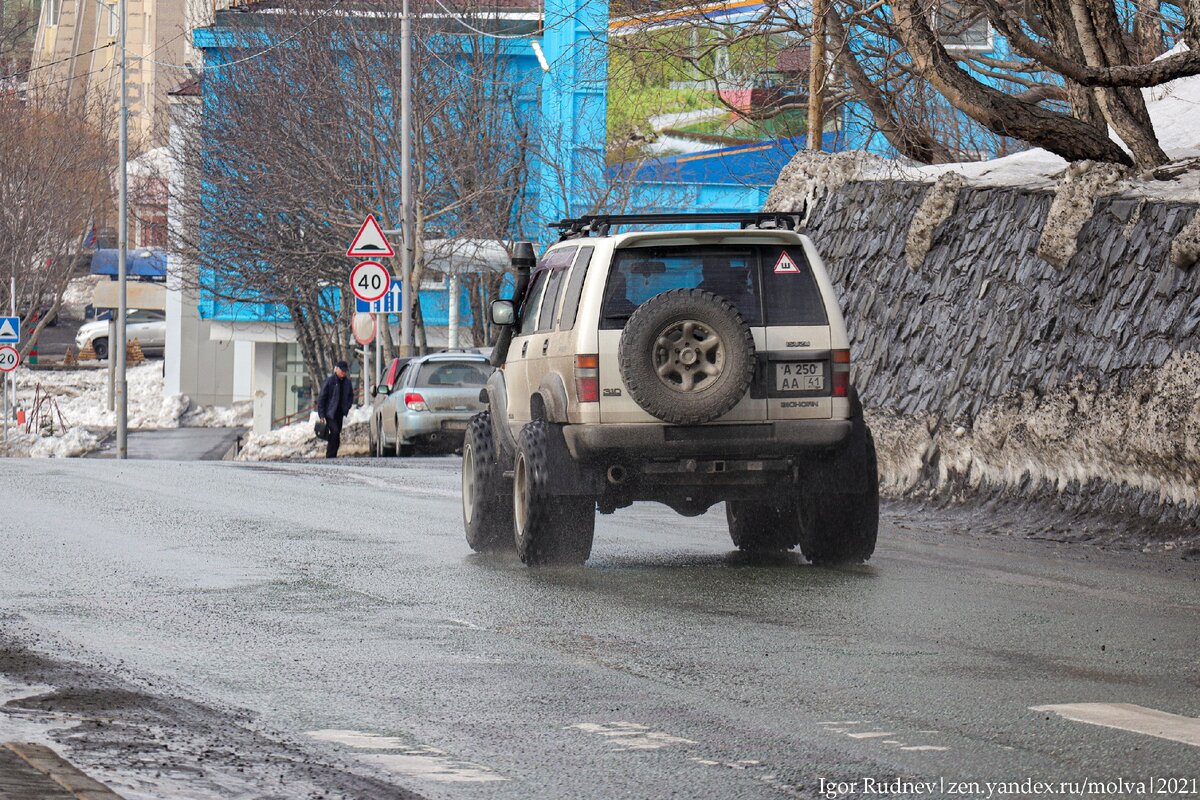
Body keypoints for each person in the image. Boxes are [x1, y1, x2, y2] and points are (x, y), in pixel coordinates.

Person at [317, 360, 355, 459]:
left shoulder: (347, 382)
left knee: (336, 435)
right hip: (330, 413)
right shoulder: (330, 381)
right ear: (336, 369)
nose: (344, 373)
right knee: (335, 432)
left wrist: (347, 406)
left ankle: (332, 455)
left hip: (340, 413)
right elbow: (322, 398)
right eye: (342, 370)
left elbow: (351, 396)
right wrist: (321, 415)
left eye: (345, 371)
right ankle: (330, 456)